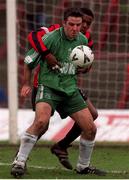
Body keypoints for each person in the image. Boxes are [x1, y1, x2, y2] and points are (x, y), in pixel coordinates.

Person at [11, 8, 105, 178]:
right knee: (41, 122)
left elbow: (82, 68)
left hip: (69, 89)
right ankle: (19, 162)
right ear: (64, 23)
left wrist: (84, 67)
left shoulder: (82, 40)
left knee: (90, 128)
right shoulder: (51, 38)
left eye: (78, 25)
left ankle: (83, 166)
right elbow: (28, 61)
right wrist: (26, 83)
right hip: (48, 87)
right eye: (71, 24)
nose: (75, 28)